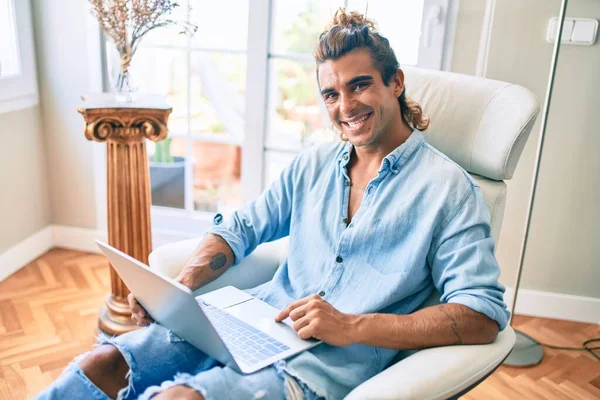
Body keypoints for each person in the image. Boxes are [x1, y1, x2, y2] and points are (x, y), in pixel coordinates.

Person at [37, 8, 509, 400]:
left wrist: (352, 326)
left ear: (396, 82)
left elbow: (482, 314)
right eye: (331, 94)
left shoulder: (449, 190)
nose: (345, 106)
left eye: (359, 85)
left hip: (319, 370)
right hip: (246, 326)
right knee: (103, 363)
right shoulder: (314, 166)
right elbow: (240, 227)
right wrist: (179, 293)